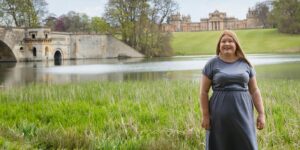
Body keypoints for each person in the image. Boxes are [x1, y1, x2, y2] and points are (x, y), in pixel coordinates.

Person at [200, 30, 265, 150]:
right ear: (219, 45)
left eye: (230, 41)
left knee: (247, 144)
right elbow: (203, 92)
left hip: (243, 113)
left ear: (236, 44)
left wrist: (261, 113)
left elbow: (255, 91)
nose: (227, 44)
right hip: (218, 115)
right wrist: (205, 115)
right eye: (223, 41)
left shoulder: (246, 64)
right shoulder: (212, 64)